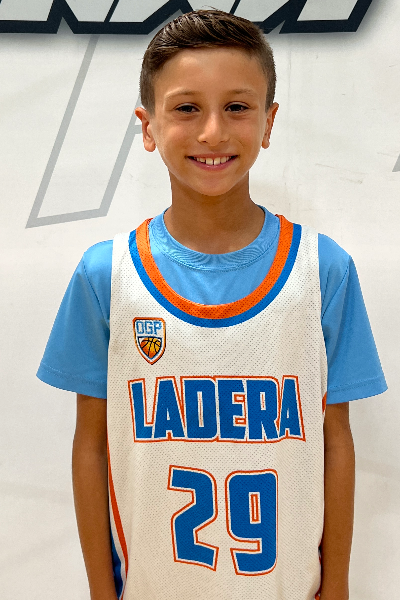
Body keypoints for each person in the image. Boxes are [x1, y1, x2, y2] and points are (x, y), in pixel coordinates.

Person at [37, 10, 387, 600]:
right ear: (148, 126)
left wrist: (338, 586)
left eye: (237, 107)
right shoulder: (106, 275)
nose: (213, 132)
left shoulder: (323, 270)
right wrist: (101, 591)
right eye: (186, 108)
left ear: (268, 122)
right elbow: (91, 446)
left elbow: (336, 441)